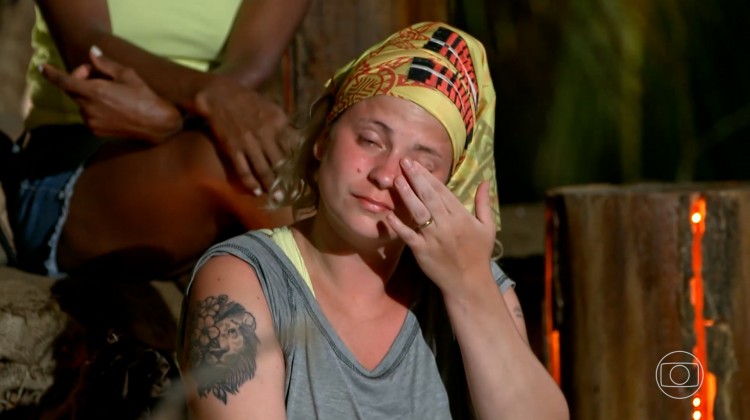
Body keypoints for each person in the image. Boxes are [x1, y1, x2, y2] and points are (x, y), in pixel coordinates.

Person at [178, 21, 569, 419]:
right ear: (323, 138)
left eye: (421, 164)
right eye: (370, 140)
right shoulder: (245, 280)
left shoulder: (475, 284)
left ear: (449, 186)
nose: (385, 175)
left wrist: (470, 286)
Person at [0, 0, 310, 279]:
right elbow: (86, 44)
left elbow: (253, 60)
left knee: (300, 166)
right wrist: (207, 95)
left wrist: (178, 117)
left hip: (201, 132)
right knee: (246, 172)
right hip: (74, 163)